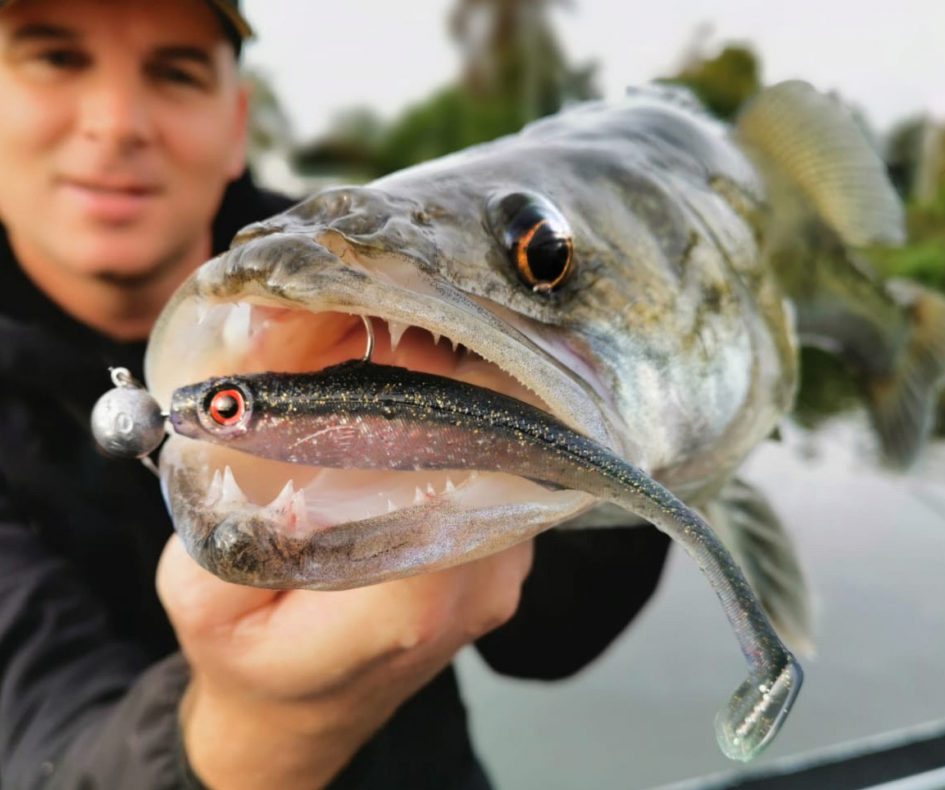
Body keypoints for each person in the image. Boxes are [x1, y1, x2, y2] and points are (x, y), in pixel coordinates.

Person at [0, 1, 670, 788]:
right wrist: (262, 728)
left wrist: (619, 456)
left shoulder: (367, 268)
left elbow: (550, 639)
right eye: (55, 59)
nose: (117, 124)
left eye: (175, 72)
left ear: (237, 125)